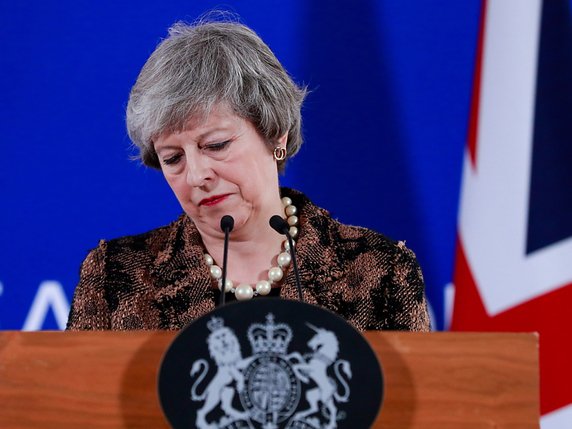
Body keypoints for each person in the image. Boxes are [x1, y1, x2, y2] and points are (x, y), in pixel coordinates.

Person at [66, 19, 430, 332]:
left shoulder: (380, 270)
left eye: (216, 145)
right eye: (173, 158)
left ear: (275, 135)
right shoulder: (114, 276)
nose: (196, 175)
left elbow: (417, 409)